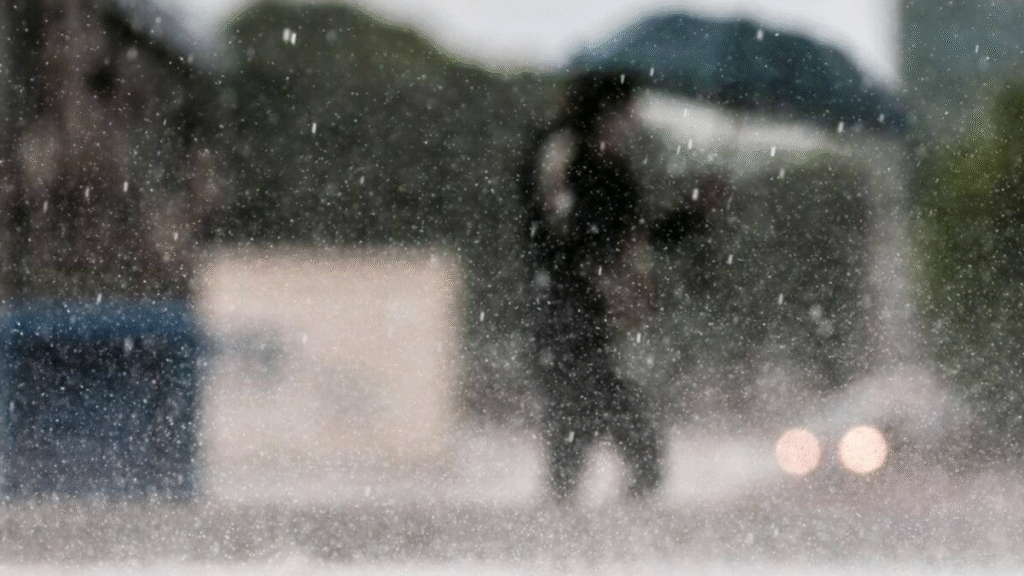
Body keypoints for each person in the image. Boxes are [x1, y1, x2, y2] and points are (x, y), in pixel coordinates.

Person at [518, 72, 729, 503]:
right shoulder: (561, 151)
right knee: (600, 442)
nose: (633, 122)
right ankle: (574, 546)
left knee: (591, 444)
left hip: (589, 322)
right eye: (626, 111)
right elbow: (564, 231)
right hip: (562, 317)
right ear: (603, 110)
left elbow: (633, 236)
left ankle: (585, 543)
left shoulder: (611, 165)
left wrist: (694, 214)